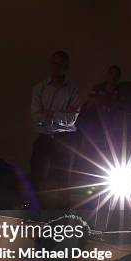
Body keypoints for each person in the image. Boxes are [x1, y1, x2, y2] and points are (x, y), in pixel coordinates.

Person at [30, 51, 81, 204]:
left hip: (64, 139)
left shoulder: (73, 90)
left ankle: (63, 216)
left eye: (61, 64)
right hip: (44, 137)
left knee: (64, 182)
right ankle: (37, 214)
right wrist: (60, 116)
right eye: (54, 63)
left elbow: (71, 119)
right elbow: (36, 117)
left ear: (67, 66)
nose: (56, 67)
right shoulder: (39, 89)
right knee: (37, 177)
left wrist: (51, 114)